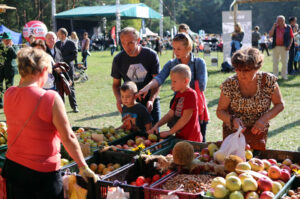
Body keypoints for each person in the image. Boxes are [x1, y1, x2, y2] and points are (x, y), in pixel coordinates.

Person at [2, 47, 98, 199]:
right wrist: (83, 166)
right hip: (42, 174)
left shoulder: (9, 93)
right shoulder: (49, 98)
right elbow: (68, 137)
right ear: (44, 70)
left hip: (14, 168)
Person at [138, 33, 209, 142]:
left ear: (188, 48)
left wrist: (183, 83)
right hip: (179, 106)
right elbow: (159, 78)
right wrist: (146, 88)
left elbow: (202, 86)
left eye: (179, 49)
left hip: (195, 107)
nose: (175, 52)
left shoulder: (199, 63)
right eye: (174, 48)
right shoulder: (172, 64)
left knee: (198, 137)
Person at [216, 48, 284, 150]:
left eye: (246, 70)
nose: (242, 74)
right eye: (238, 69)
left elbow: (280, 104)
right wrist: (232, 120)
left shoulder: (268, 81)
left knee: (255, 161)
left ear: (256, 68)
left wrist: (264, 119)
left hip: (257, 131)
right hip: (233, 132)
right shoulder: (229, 84)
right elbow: (220, 111)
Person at [111, 27, 161, 125]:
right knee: (131, 134)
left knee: (153, 134)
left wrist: (151, 100)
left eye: (130, 43)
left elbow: (157, 81)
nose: (127, 47)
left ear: (138, 40)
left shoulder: (151, 55)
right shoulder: (118, 59)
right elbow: (116, 84)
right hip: (130, 104)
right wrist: (118, 99)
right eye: (123, 43)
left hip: (150, 102)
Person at [147, 64, 202, 142]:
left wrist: (170, 132)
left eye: (174, 81)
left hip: (191, 138)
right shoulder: (178, 95)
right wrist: (157, 125)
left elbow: (185, 118)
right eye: (171, 81)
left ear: (185, 81)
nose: (171, 84)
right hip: (180, 137)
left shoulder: (191, 94)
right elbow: (170, 114)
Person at [55, 28, 79, 113]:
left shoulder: (71, 43)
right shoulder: (57, 44)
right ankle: (61, 107)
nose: (57, 35)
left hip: (68, 68)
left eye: (58, 34)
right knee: (60, 87)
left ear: (63, 35)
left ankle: (74, 106)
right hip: (58, 69)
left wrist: (63, 61)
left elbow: (74, 55)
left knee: (70, 86)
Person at [269, 15, 294, 80]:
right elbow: (270, 35)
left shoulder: (288, 27)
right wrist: (273, 26)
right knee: (275, 62)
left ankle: (284, 76)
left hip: (285, 47)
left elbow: (291, 37)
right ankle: (275, 76)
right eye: (277, 20)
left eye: (279, 20)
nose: (277, 22)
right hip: (275, 47)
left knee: (285, 62)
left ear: (283, 21)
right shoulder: (275, 27)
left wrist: (289, 46)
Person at [0, 32, 18, 109]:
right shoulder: (0, 47)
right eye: (5, 40)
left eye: (8, 40)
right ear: (2, 40)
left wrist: (10, 47)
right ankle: (0, 103)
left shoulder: (14, 47)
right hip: (1, 69)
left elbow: (15, 56)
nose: (7, 41)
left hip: (10, 70)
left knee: (9, 87)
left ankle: (9, 102)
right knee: (0, 86)